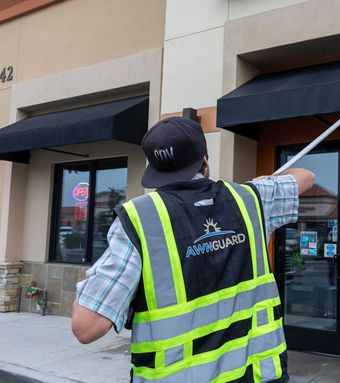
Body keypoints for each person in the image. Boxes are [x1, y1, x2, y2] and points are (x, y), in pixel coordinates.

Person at [71, 116, 314, 383]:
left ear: (155, 170)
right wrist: (267, 180)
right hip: (258, 375)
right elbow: (305, 177)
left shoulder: (139, 220)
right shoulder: (251, 198)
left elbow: (86, 327)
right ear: (205, 161)